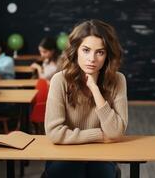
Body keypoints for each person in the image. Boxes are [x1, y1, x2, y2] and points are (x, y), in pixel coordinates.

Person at [44, 19, 128, 178]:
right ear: (75, 51)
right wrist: (99, 136)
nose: (92, 59)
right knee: (72, 171)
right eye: (86, 50)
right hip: (65, 153)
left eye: (100, 52)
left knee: (100, 173)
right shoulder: (59, 80)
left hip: (101, 155)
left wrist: (95, 90)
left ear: (107, 55)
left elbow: (116, 132)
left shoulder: (118, 80)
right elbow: (54, 133)